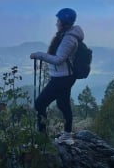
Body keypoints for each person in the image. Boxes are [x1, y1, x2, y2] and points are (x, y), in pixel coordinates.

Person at [30, 8, 84, 145]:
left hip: (62, 78)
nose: (56, 23)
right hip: (64, 77)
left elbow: (58, 59)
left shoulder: (68, 38)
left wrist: (39, 55)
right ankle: (67, 135)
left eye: (58, 20)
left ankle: (42, 138)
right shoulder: (66, 35)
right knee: (63, 104)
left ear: (64, 22)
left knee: (39, 103)